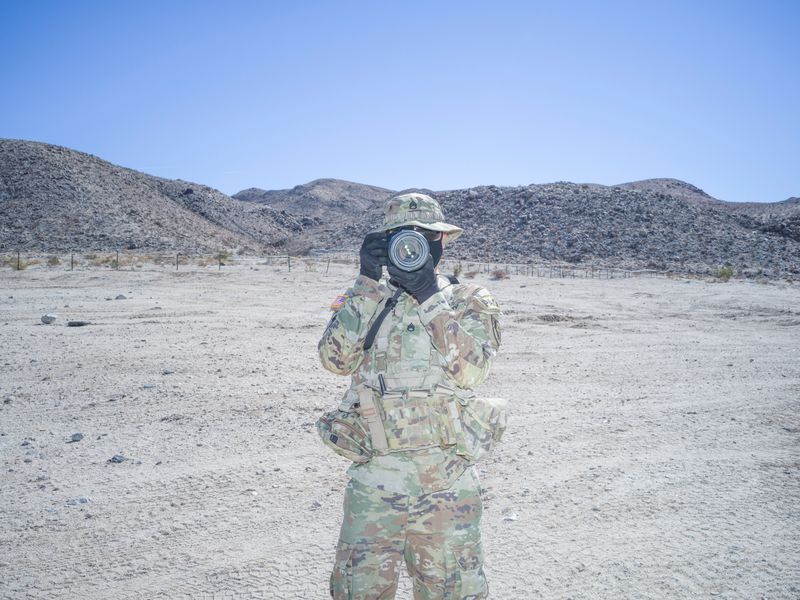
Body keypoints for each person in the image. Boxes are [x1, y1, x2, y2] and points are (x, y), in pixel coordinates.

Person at [317, 192, 504, 600]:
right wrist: (366, 281)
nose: (412, 246)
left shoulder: (468, 300)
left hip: (447, 485)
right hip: (375, 483)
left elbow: (473, 372)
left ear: (442, 242)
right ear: (385, 243)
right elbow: (334, 360)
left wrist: (429, 297)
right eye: (402, 236)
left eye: (424, 236)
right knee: (358, 591)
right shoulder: (367, 299)